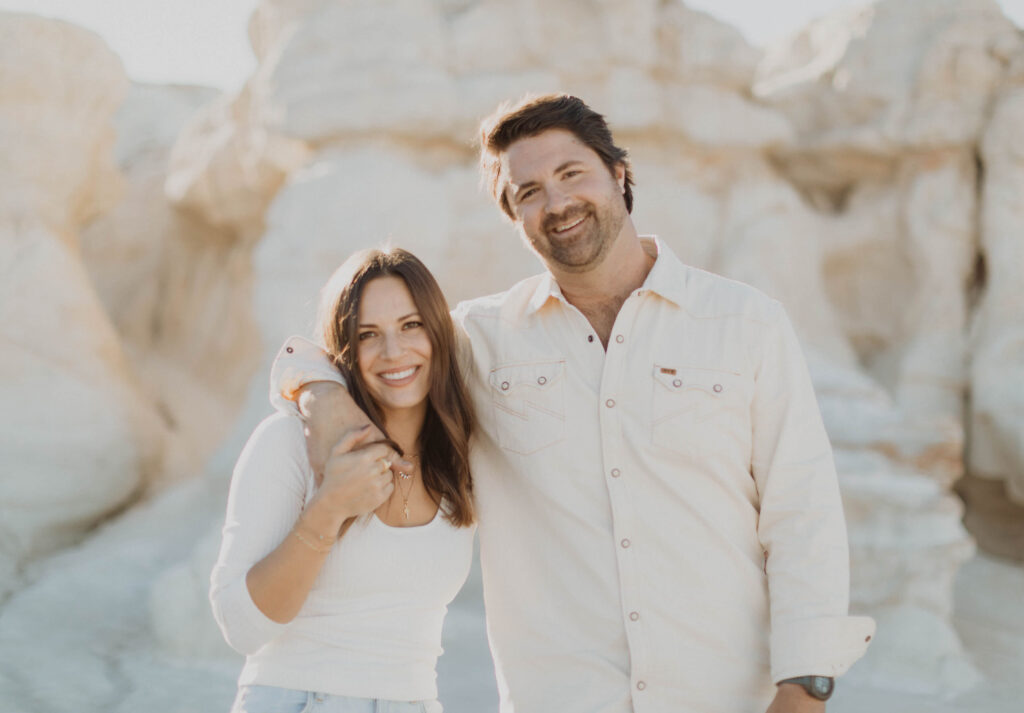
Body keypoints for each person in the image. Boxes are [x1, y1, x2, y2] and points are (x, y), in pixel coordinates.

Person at [272, 95, 875, 713]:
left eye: (570, 174)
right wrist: (320, 394)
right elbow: (327, 354)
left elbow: (803, 516)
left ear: (617, 173)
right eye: (528, 191)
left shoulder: (745, 322)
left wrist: (806, 686)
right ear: (513, 215)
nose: (556, 204)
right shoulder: (479, 339)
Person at [210, 248, 476, 713]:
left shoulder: (461, 455)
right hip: (299, 699)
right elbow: (241, 628)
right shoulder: (289, 442)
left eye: (411, 325)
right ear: (345, 349)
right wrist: (330, 507)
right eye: (368, 334)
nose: (394, 352)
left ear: (438, 330)